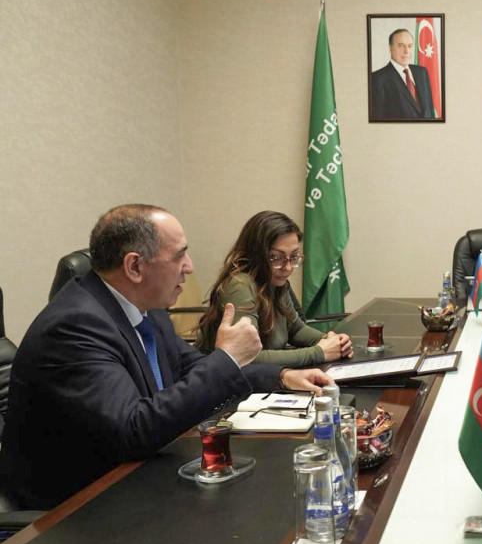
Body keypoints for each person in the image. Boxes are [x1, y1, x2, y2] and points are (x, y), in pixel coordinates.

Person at [0, 205, 332, 509]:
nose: (189, 267)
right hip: (77, 508)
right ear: (135, 266)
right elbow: (134, 429)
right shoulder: (75, 326)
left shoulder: (146, 308)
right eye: (179, 256)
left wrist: (280, 377)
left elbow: (193, 366)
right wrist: (228, 358)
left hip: (141, 475)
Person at [195, 211, 352, 367]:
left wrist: (331, 341)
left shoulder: (275, 281)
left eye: (293, 256)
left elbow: (296, 329)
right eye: (275, 257)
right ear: (256, 254)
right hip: (224, 379)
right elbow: (246, 356)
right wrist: (319, 352)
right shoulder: (240, 285)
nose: (288, 267)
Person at [370, 28, 434, 120]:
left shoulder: (422, 73)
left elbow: (430, 111)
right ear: (390, 48)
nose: (406, 51)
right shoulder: (377, 78)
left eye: (410, 46)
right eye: (401, 46)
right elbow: (377, 120)